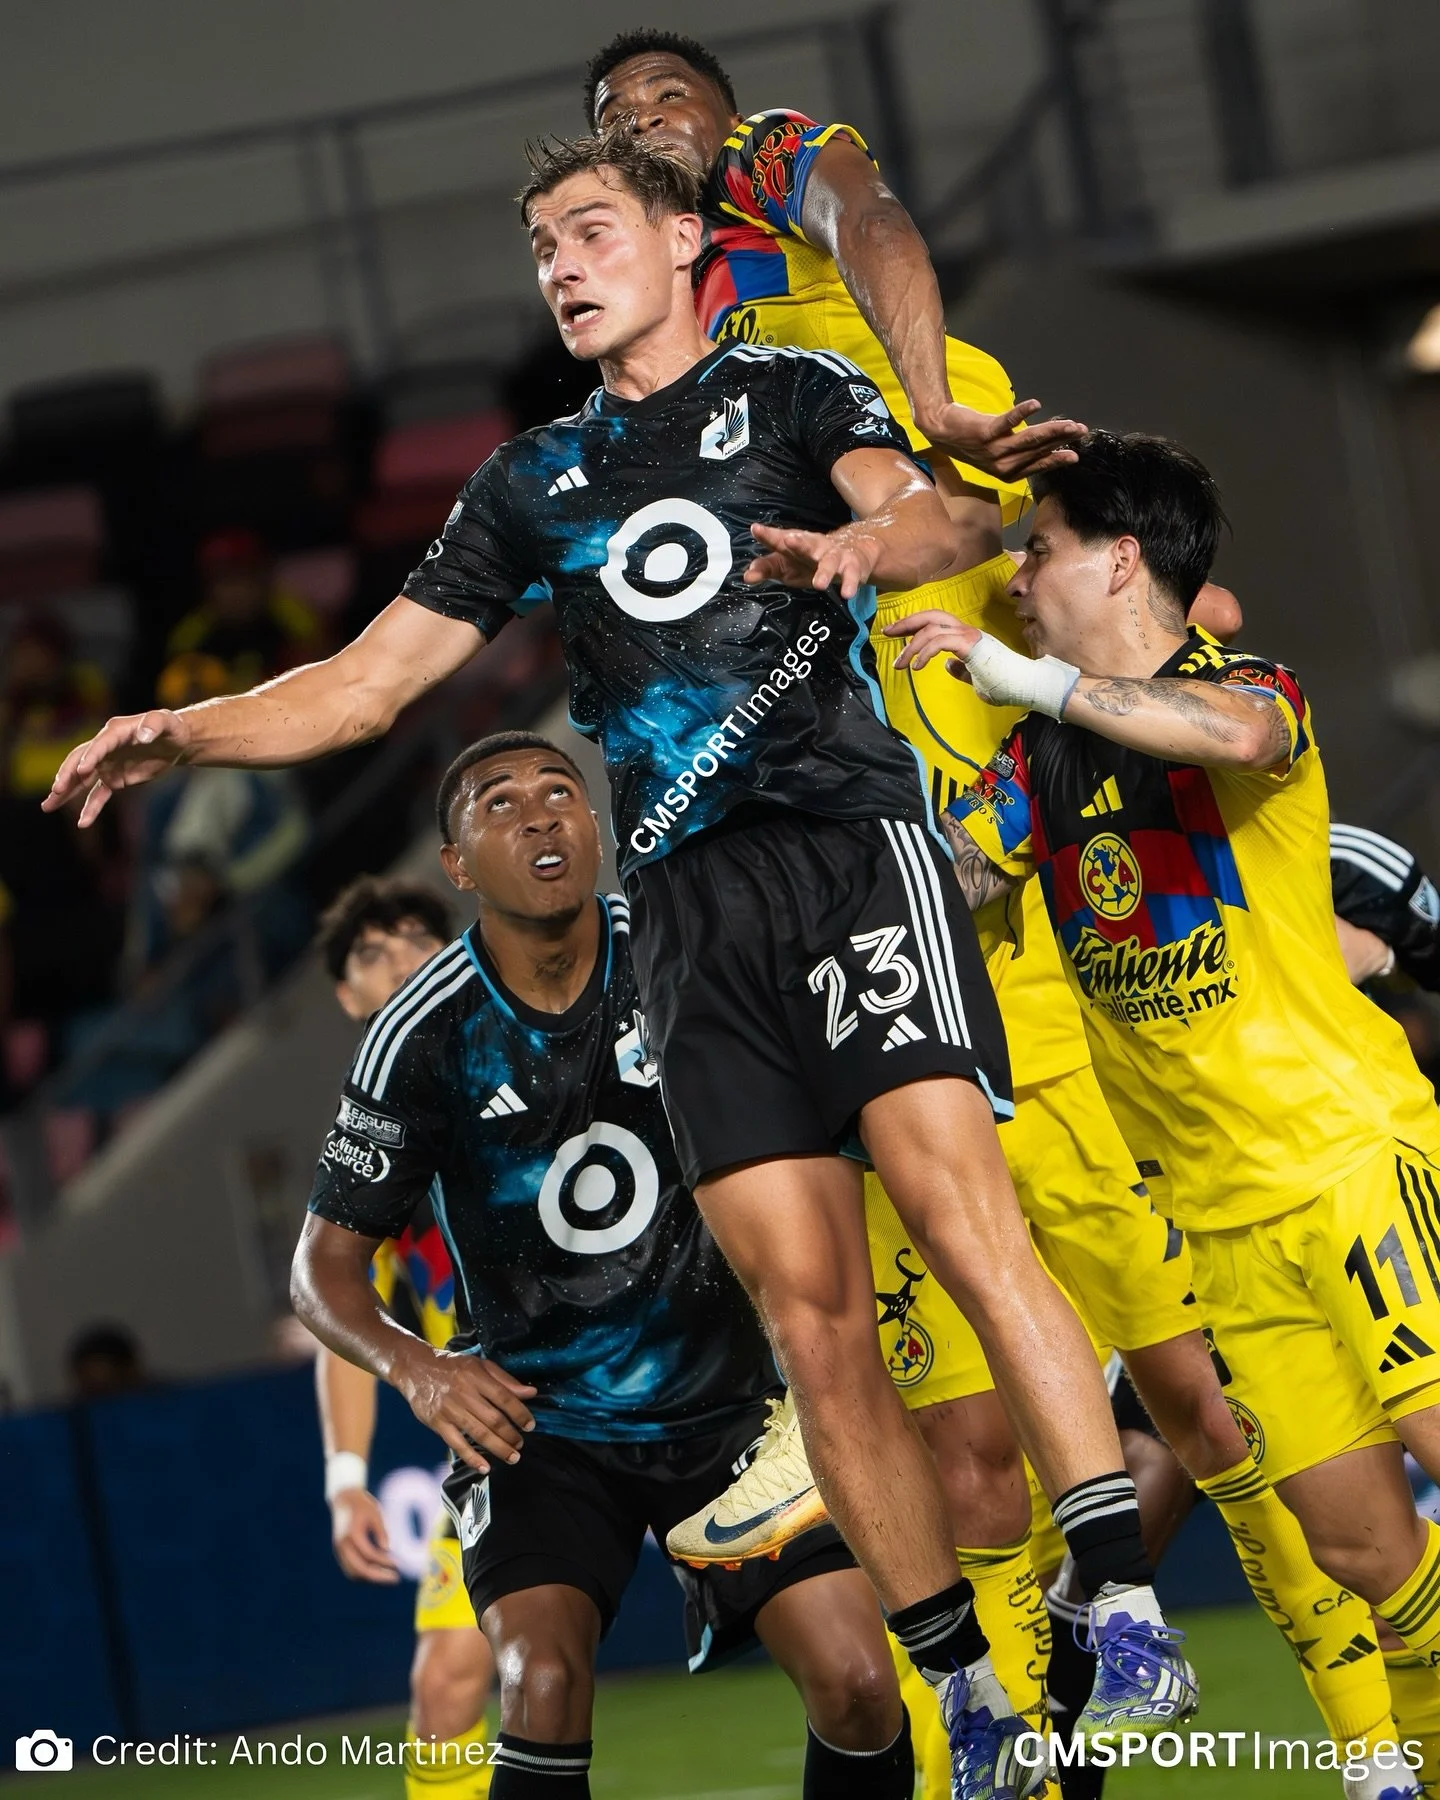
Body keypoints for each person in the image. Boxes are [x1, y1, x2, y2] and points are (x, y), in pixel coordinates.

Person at [43, 130, 1188, 1795]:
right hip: (694, 919)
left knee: (959, 1212)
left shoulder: (794, 390)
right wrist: (182, 730)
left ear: (678, 245)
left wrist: (874, 550)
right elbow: (365, 689)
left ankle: (1124, 1601)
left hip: (847, 858)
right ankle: (973, 1696)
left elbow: (935, 523)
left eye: (589, 233)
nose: (562, 268)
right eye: (541, 250)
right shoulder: (529, 482)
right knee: (812, 1322)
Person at [582, 32, 1365, 1786]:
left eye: (671, 107)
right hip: (857, 969)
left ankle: (1372, 1737)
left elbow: (1179, 594)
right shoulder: (657, 459)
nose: (648, 130)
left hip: (1044, 1004)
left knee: (1208, 1409)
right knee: (961, 1466)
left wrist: (937, 412)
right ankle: (1023, 1751)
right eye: (616, 126)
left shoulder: (890, 361)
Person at [903, 427, 1440, 1796]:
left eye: (1039, 549)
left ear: (1121, 560)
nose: (1018, 577)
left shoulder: (1250, 689)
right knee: (1370, 1553)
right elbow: (945, 885)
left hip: (1351, 1160)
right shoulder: (1036, 764)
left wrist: (1029, 680)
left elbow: (1238, 736)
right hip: (1223, 1223)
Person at [293, 732, 915, 1800]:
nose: (541, 816)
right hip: (540, 1426)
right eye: (500, 803)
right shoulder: (420, 1037)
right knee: (535, 1681)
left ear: (595, 825)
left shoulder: (687, 945)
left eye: (560, 793)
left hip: (735, 1412)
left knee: (863, 1685)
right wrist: (421, 1370)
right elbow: (322, 1271)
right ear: (456, 863)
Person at [312, 875, 497, 1800]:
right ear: (348, 996)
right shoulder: (364, 1147)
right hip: (503, 1433)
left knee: (833, 1639)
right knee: (445, 1684)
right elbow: (338, 1314)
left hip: (659, 1381)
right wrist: (347, 1482)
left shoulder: (530, 1043)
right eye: (369, 956)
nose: (396, 967)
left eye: (415, 941)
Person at [166, 528, 321, 692]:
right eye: (225, 581)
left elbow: (322, 671)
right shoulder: (190, 637)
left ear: (262, 578)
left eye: (243, 577)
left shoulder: (294, 618)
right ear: (208, 587)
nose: (236, 591)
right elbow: (176, 698)